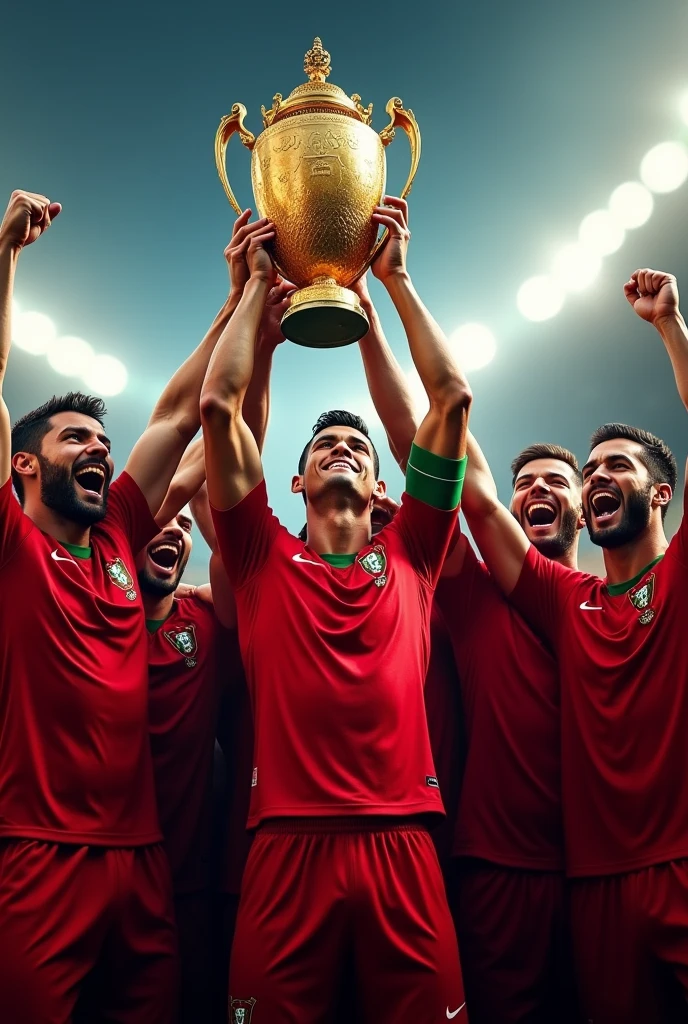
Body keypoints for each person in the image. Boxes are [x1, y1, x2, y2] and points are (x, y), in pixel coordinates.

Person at [200, 196, 472, 1023]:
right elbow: (220, 409)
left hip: (405, 845)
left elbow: (451, 398)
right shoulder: (256, 557)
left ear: (385, 485)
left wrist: (390, 283)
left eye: (357, 445)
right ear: (296, 482)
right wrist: (256, 294)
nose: (343, 449)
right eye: (324, 446)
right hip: (284, 845)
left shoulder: (419, 550)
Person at [0, 189, 260, 1023]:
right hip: (38, 859)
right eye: (74, 438)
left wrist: (236, 300)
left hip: (143, 860)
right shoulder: (11, 543)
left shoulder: (117, 529)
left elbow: (185, 416)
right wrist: (4, 257)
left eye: (101, 442)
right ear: (25, 469)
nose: (98, 449)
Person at [354, 273, 581, 1022]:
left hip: (607, 867)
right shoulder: (477, 589)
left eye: (557, 479)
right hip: (500, 867)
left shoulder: (610, 606)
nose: (538, 490)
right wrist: (368, 318)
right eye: (526, 483)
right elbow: (417, 441)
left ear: (582, 502)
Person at [463, 268, 688, 1024]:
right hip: (592, 884)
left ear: (661, 493)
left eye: (614, 466)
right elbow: (475, 497)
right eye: (588, 469)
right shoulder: (568, 601)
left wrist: (670, 329)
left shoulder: (682, 573)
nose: (595, 477)